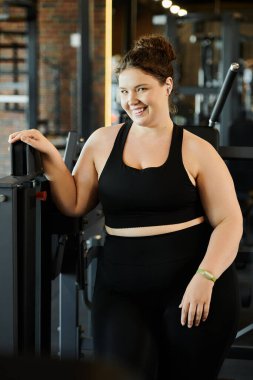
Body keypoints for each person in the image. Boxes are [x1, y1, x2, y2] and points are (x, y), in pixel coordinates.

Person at [8, 34, 243, 380]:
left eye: (142, 89)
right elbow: (74, 202)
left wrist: (205, 277)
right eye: (124, 91)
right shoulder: (102, 142)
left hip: (190, 282)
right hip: (120, 284)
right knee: (117, 373)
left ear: (167, 86)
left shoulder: (196, 150)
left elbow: (229, 221)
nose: (131, 100)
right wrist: (50, 156)